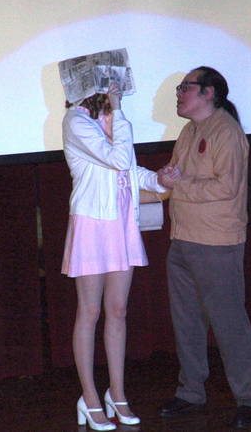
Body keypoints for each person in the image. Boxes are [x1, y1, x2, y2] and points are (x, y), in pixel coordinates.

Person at [157, 67, 251, 429]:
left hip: (216, 244)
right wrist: (163, 179)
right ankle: (191, 392)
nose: (178, 93)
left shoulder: (226, 132)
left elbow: (226, 188)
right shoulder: (189, 131)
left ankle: (250, 399)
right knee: (186, 323)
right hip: (183, 239)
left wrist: (179, 183)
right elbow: (175, 177)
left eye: (184, 87)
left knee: (229, 324)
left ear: (208, 93)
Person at [61, 83, 166, 431]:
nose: (114, 91)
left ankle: (117, 394)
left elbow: (128, 170)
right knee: (89, 312)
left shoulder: (108, 120)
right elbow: (118, 158)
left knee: (118, 310)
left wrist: (161, 180)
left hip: (121, 224)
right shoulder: (76, 121)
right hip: (92, 224)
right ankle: (89, 397)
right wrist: (118, 111)